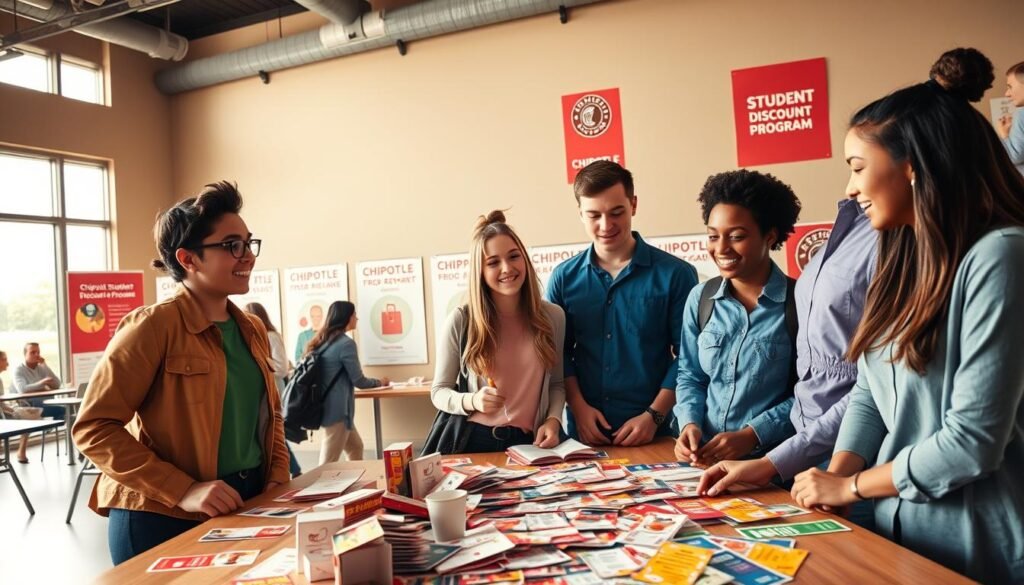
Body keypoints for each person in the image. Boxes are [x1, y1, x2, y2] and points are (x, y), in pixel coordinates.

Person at [790, 76, 1024, 583]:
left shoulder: (1001, 255)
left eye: (857, 168)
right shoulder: (901, 257)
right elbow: (871, 395)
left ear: (913, 166)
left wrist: (851, 488)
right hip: (899, 537)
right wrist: (837, 473)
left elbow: (973, 442)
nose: (850, 189)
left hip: (979, 547)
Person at [72, 181, 290, 565]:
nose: (248, 256)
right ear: (188, 259)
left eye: (249, 243)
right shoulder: (152, 327)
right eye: (232, 246)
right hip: (160, 515)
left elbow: (270, 414)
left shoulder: (251, 328)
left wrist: (276, 475)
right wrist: (184, 489)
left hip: (244, 502)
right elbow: (94, 427)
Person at [547, 161, 698, 447]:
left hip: (659, 433)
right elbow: (556, 354)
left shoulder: (676, 275)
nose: (606, 226)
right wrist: (578, 407)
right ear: (580, 213)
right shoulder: (563, 278)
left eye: (617, 212)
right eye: (594, 215)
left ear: (634, 205)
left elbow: (690, 357)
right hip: (583, 436)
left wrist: (654, 415)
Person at [673, 170, 800, 467]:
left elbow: (811, 393)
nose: (721, 249)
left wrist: (753, 435)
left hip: (773, 468)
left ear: (769, 236)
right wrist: (689, 424)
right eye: (713, 236)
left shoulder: (801, 302)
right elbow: (690, 375)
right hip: (703, 463)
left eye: (737, 236)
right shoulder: (700, 299)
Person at [431, 210, 566, 453]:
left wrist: (553, 420)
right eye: (493, 262)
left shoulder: (553, 317)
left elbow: (556, 383)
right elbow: (438, 392)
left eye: (514, 256)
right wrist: (471, 400)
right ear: (480, 272)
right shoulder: (462, 321)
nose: (507, 268)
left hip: (532, 442)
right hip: (475, 442)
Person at [304, 301, 388, 465]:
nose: (357, 318)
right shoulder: (346, 344)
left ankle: (355, 485)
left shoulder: (323, 341)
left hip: (327, 407)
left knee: (355, 447)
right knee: (328, 462)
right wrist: (380, 382)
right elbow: (359, 381)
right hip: (337, 410)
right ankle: (321, 488)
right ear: (347, 318)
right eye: (354, 315)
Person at [245, 302, 301, 477]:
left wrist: (260, 364)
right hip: (260, 390)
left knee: (274, 432)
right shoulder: (251, 336)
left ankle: (294, 469)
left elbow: (282, 367)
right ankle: (293, 469)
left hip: (274, 388)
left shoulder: (271, 336)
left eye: (247, 314)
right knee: (271, 433)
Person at [12, 342, 65, 464]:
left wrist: (45, 365)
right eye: (32, 352)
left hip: (44, 404)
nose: (36, 355)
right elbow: (23, 389)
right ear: (25, 354)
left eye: (38, 352)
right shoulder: (18, 370)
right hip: (27, 405)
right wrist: (43, 383)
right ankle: (47, 428)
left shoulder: (41, 368)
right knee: (31, 416)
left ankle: (49, 428)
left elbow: (57, 384)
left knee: (65, 410)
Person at [999, 61, 1024, 176]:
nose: (1007, 94)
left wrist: (1004, 134)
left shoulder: (1021, 113)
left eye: (1010, 87)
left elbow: (1014, 156)